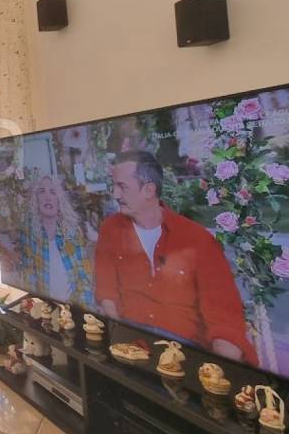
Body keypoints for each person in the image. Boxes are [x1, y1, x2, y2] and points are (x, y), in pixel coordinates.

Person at [94, 150, 258, 364]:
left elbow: (224, 318)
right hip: (130, 342)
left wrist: (219, 370)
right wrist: (118, 344)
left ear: (149, 190)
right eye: (114, 186)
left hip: (185, 351)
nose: (115, 194)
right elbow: (106, 292)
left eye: (122, 187)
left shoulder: (197, 240)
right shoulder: (111, 229)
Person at [13, 175, 96, 306]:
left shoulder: (73, 232)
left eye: (53, 192)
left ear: (59, 200)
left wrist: (79, 310)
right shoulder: (29, 233)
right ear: (35, 200)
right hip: (44, 306)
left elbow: (84, 278)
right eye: (42, 191)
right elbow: (28, 277)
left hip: (75, 306)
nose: (48, 197)